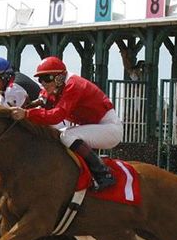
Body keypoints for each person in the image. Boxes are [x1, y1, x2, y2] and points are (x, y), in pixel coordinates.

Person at [9, 56, 122, 191]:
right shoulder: (57, 86)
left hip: (109, 128)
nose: (43, 83)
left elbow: (57, 116)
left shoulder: (73, 85)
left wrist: (27, 114)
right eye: (40, 79)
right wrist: (32, 105)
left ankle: (103, 173)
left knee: (66, 136)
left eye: (47, 78)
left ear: (59, 77)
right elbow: (43, 99)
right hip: (94, 126)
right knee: (58, 134)